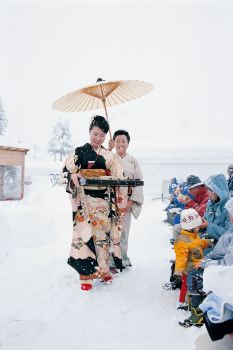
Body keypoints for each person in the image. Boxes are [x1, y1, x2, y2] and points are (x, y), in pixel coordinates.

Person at [62, 115, 127, 291]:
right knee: (84, 236)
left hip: (103, 203)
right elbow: (65, 172)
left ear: (106, 137)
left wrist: (113, 178)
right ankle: (86, 275)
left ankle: (103, 270)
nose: (98, 138)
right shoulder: (79, 151)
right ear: (90, 131)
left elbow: (120, 177)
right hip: (84, 202)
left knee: (102, 238)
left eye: (102, 135)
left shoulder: (109, 156)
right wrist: (73, 175)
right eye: (95, 134)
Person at [173, 208, 213, 327]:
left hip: (197, 268)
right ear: (191, 227)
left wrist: (208, 242)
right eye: (197, 226)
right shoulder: (183, 241)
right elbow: (181, 257)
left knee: (194, 289)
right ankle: (196, 316)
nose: (199, 228)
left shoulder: (194, 236)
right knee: (192, 290)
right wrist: (179, 270)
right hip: (189, 270)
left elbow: (199, 244)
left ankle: (192, 307)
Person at [110, 129, 144, 267]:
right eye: (117, 141)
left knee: (124, 230)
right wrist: (108, 149)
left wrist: (131, 201)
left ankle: (123, 257)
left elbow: (139, 180)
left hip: (127, 200)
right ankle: (111, 258)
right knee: (111, 230)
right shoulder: (110, 158)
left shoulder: (133, 160)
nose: (120, 144)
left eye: (123, 141)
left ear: (128, 143)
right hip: (111, 199)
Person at [200, 174, 231, 246]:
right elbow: (205, 219)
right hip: (209, 239)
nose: (207, 193)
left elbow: (228, 235)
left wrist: (208, 225)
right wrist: (199, 222)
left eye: (209, 190)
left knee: (193, 248)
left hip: (222, 245)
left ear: (216, 190)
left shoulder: (229, 207)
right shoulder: (210, 204)